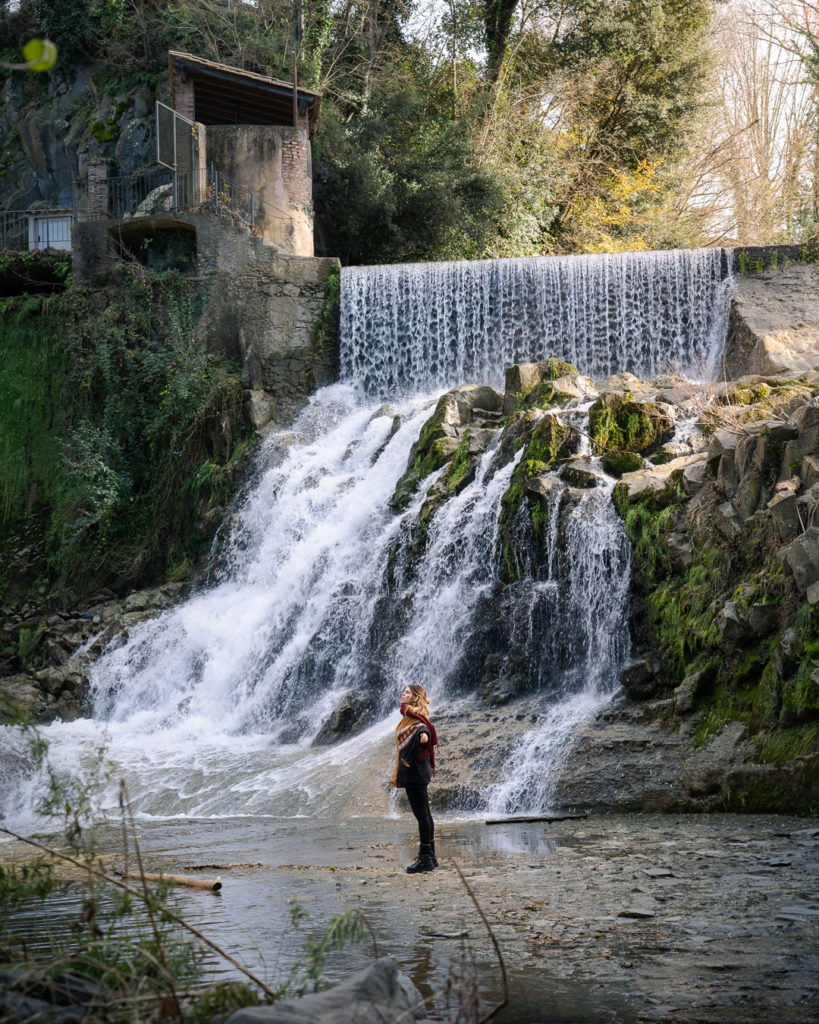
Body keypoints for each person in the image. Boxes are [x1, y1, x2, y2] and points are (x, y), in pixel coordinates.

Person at [392, 683, 438, 874]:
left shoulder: (416, 719)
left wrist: (424, 737)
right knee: (425, 814)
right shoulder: (410, 716)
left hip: (415, 774)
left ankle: (426, 857)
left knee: (422, 815)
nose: (404, 694)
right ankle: (431, 855)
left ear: (415, 697)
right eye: (404, 691)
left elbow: (423, 730)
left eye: (408, 692)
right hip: (417, 772)